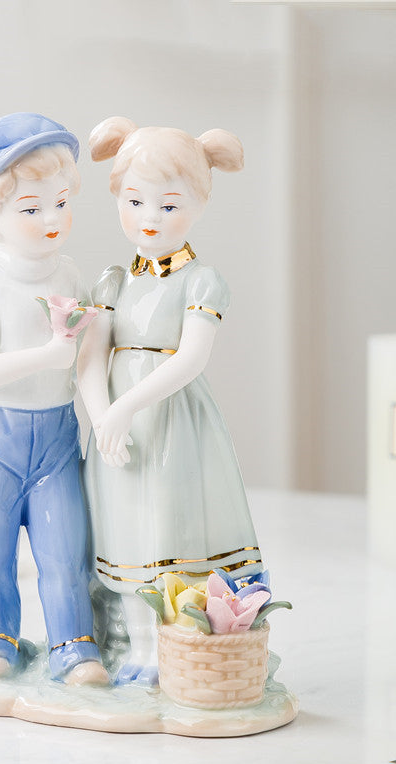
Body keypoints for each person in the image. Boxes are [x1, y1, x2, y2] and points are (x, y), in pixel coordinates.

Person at [79, 117, 265, 685]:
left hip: (172, 421)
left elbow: (190, 359)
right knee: (123, 529)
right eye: (135, 201)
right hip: (116, 429)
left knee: (169, 525)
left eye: (169, 205)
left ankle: (174, 646)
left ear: (198, 205)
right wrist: (103, 417)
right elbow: (89, 359)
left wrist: (126, 408)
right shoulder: (114, 282)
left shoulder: (201, 280)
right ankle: (134, 645)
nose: (150, 217)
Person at [0, 112, 108, 686]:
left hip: (56, 437)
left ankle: (73, 644)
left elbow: (88, 355)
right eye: (31, 208)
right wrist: (49, 355)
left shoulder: (68, 274)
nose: (52, 219)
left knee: (64, 549)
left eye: (62, 202)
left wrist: (104, 412)